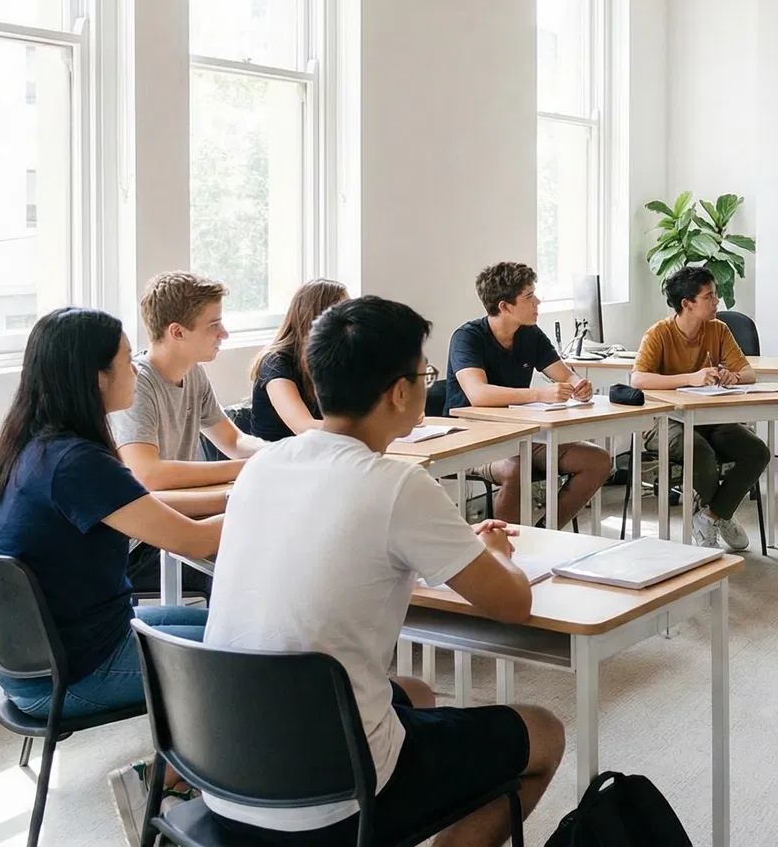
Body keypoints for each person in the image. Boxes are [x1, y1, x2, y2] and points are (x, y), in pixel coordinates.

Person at [202, 296, 565, 847]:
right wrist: (496, 553)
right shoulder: (397, 484)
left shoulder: (262, 465)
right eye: (424, 374)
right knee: (544, 733)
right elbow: (513, 605)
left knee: (415, 692)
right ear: (400, 392)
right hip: (330, 795)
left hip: (223, 772)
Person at [0, 308, 224, 837]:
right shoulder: (76, 462)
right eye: (126, 360)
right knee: (245, 656)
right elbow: (195, 540)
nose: (136, 369)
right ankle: (164, 786)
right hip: (75, 668)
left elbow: (146, 509)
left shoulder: (31, 444)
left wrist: (232, 496)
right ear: (95, 378)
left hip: (37, 657)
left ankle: (182, 776)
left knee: (234, 628)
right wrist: (267, 496)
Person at [112, 272, 266, 597]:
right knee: (247, 563)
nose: (224, 333)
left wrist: (281, 453)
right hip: (136, 546)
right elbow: (147, 475)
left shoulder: (194, 373)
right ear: (177, 332)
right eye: (214, 325)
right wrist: (244, 468)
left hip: (174, 517)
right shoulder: (137, 385)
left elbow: (234, 441)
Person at [446, 262, 612, 528]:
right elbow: (478, 394)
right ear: (505, 306)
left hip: (522, 436)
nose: (538, 302)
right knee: (515, 468)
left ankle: (545, 532)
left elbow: (564, 374)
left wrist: (579, 384)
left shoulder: (530, 334)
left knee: (597, 461)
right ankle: (504, 545)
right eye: (529, 297)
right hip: (473, 438)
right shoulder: (467, 337)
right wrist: (539, 394)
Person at [630, 265, 770, 550]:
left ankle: (712, 515)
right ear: (687, 304)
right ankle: (719, 513)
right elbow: (638, 379)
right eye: (709, 296)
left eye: (714, 295)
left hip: (709, 417)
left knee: (757, 452)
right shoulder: (659, 333)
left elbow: (749, 373)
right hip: (664, 421)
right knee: (700, 453)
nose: (717, 301)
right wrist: (690, 379)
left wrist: (733, 377)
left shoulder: (718, 329)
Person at [248, 279, 349, 441]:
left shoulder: (330, 359)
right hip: (277, 453)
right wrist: (362, 429)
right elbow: (302, 426)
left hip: (317, 450)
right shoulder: (275, 362)